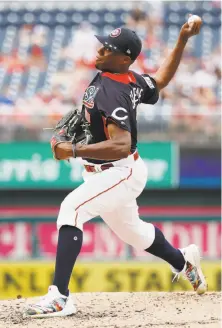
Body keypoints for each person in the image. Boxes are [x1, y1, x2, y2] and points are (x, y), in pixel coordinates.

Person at [24, 17, 207, 319]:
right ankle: (183, 260)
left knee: (72, 209)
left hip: (120, 171)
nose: (99, 50)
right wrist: (182, 40)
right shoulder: (128, 78)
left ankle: (59, 297)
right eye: (102, 44)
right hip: (110, 170)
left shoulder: (114, 90)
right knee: (134, 234)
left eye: (107, 48)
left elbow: (121, 144)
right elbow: (159, 80)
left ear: (123, 58)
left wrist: (72, 148)